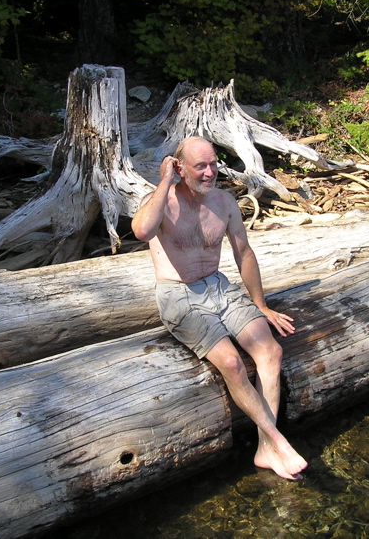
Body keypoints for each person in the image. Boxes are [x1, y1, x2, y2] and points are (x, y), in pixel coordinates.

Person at [131, 135, 308, 481]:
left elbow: (244, 253)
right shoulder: (160, 202)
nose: (210, 172)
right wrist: (164, 181)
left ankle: (265, 448)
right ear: (180, 167)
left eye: (213, 164)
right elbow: (141, 231)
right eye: (200, 166)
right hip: (179, 294)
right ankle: (278, 441)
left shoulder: (224, 202)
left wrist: (260, 305)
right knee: (230, 362)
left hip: (219, 287)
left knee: (270, 351)